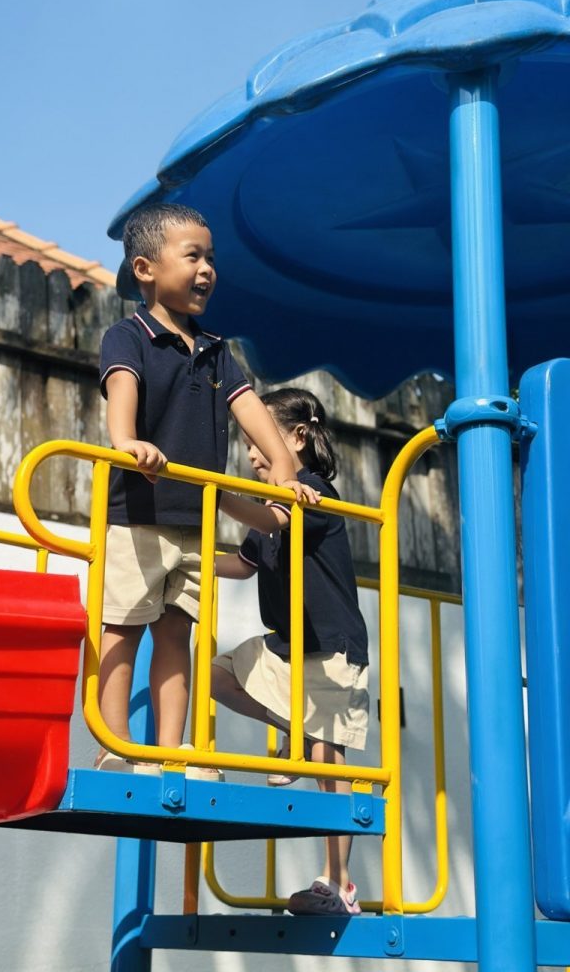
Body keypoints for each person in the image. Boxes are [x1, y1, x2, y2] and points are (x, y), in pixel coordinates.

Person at [95, 203, 316, 778]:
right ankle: (116, 743)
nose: (207, 270)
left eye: (211, 259)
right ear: (145, 268)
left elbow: (250, 409)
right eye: (192, 256)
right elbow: (122, 391)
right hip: (137, 516)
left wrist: (284, 466)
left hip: (195, 522)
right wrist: (127, 441)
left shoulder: (217, 350)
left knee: (178, 634)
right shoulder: (129, 336)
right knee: (122, 627)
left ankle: (170, 749)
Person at [212, 387, 369, 915]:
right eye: (247, 445)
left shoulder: (312, 492)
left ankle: (340, 882)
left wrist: (212, 492)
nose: (252, 455)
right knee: (216, 675)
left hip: (329, 644)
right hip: (287, 646)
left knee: (327, 757)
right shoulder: (270, 504)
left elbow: (274, 522)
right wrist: (193, 561)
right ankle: (296, 730)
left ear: (297, 439)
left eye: (260, 442)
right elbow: (244, 562)